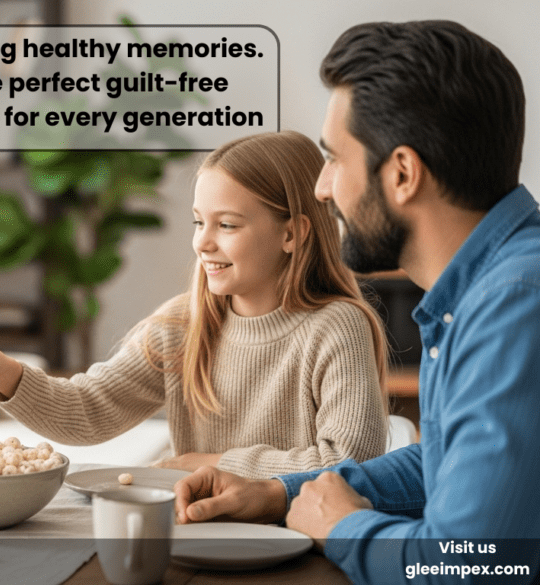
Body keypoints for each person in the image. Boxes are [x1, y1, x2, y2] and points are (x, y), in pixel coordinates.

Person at [173, 20, 540, 584]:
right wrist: (280, 493)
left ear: (401, 173)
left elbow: (474, 566)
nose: (322, 188)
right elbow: (448, 466)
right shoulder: (488, 289)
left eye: (334, 159)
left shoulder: (515, 306)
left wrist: (345, 527)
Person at [0, 130, 389, 479]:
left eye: (227, 225)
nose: (203, 243)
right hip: (201, 532)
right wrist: (8, 374)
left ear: (292, 233)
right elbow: (87, 410)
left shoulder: (337, 328)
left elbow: (351, 464)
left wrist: (211, 465)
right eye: (198, 222)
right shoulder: (181, 326)